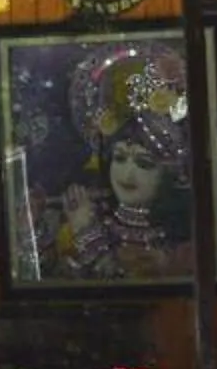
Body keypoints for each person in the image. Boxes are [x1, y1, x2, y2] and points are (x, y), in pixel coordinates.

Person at [47, 44, 195, 281]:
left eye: (144, 163)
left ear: (171, 172)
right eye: (119, 158)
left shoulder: (182, 243)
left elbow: (121, 278)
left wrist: (87, 232)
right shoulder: (89, 220)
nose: (127, 173)